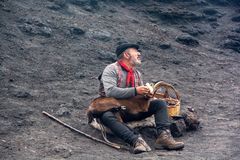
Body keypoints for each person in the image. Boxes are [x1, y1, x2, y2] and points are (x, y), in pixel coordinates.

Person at [98, 43, 184, 154]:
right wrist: (136, 90)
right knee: (106, 116)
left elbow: (138, 96)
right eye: (136, 51)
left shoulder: (137, 73)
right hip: (115, 110)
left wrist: (146, 96)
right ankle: (136, 141)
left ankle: (164, 137)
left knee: (160, 104)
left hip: (132, 109)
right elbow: (110, 92)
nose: (139, 54)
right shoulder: (111, 69)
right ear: (126, 55)